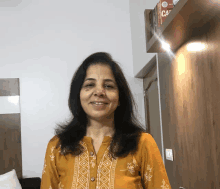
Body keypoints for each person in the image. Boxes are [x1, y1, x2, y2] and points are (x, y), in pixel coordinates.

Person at [40, 52, 171, 189]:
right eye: (90, 85)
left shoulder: (142, 143)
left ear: (120, 97)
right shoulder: (58, 147)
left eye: (108, 86)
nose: (99, 92)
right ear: (78, 94)